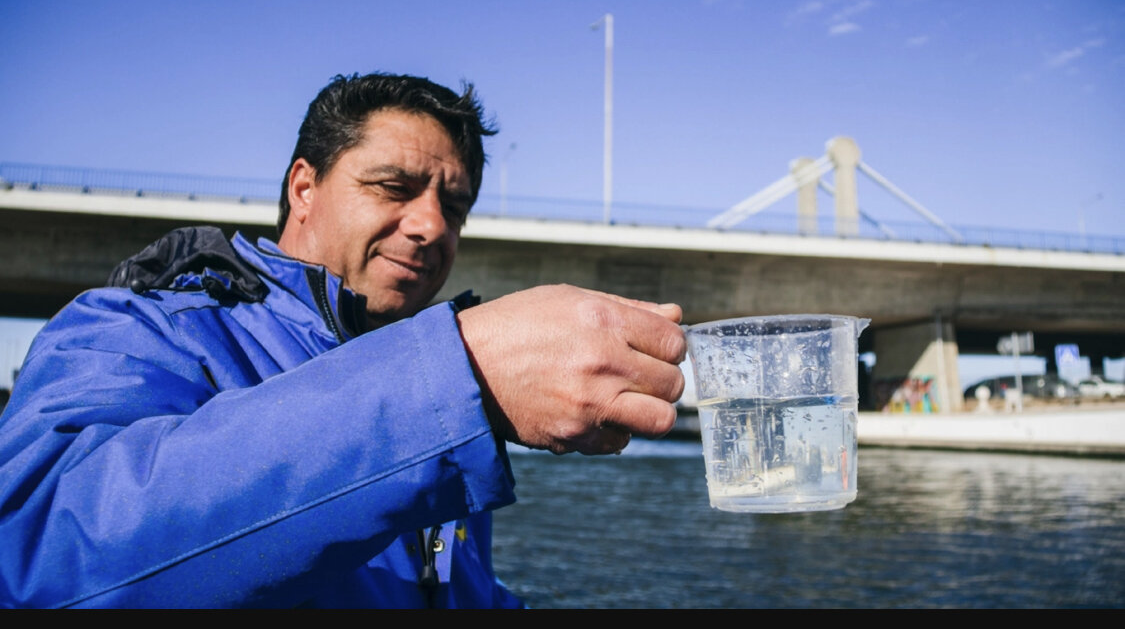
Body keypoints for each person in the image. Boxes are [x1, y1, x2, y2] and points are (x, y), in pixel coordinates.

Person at [0, 72, 686, 608]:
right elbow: (37, 556)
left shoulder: (430, 386)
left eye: (454, 205)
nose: (430, 226)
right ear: (304, 187)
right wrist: (455, 374)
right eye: (394, 186)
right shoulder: (137, 326)